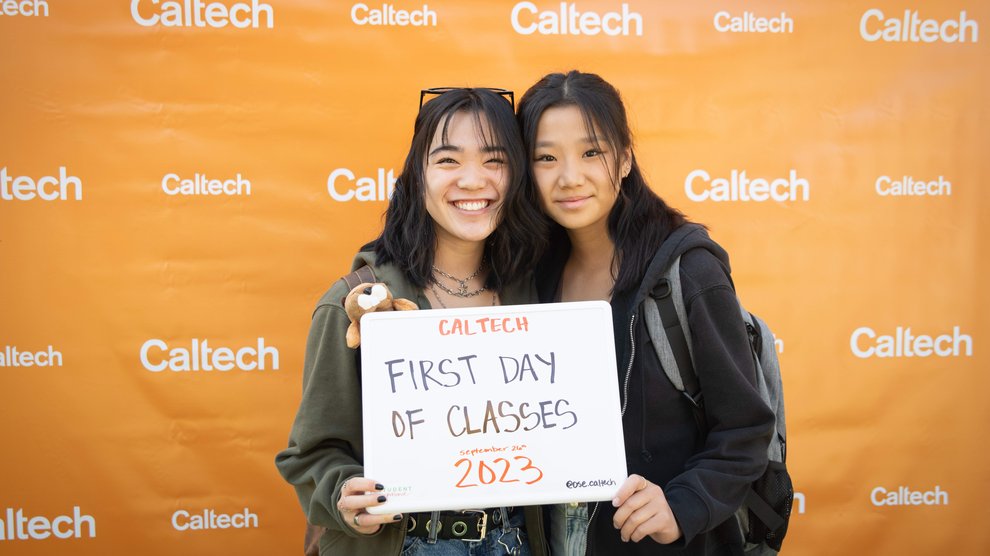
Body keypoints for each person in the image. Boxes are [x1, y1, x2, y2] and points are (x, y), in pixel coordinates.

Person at [276, 87, 549, 556]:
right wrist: (344, 493)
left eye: (494, 160)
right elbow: (312, 454)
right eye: (447, 160)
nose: (471, 180)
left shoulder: (540, 296)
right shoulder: (355, 303)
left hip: (513, 542)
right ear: (417, 176)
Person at [517, 70, 775, 555]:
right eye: (546, 157)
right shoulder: (529, 276)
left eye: (591, 152)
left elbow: (745, 429)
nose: (570, 176)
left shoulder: (688, 272)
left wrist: (681, 507)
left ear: (625, 158)